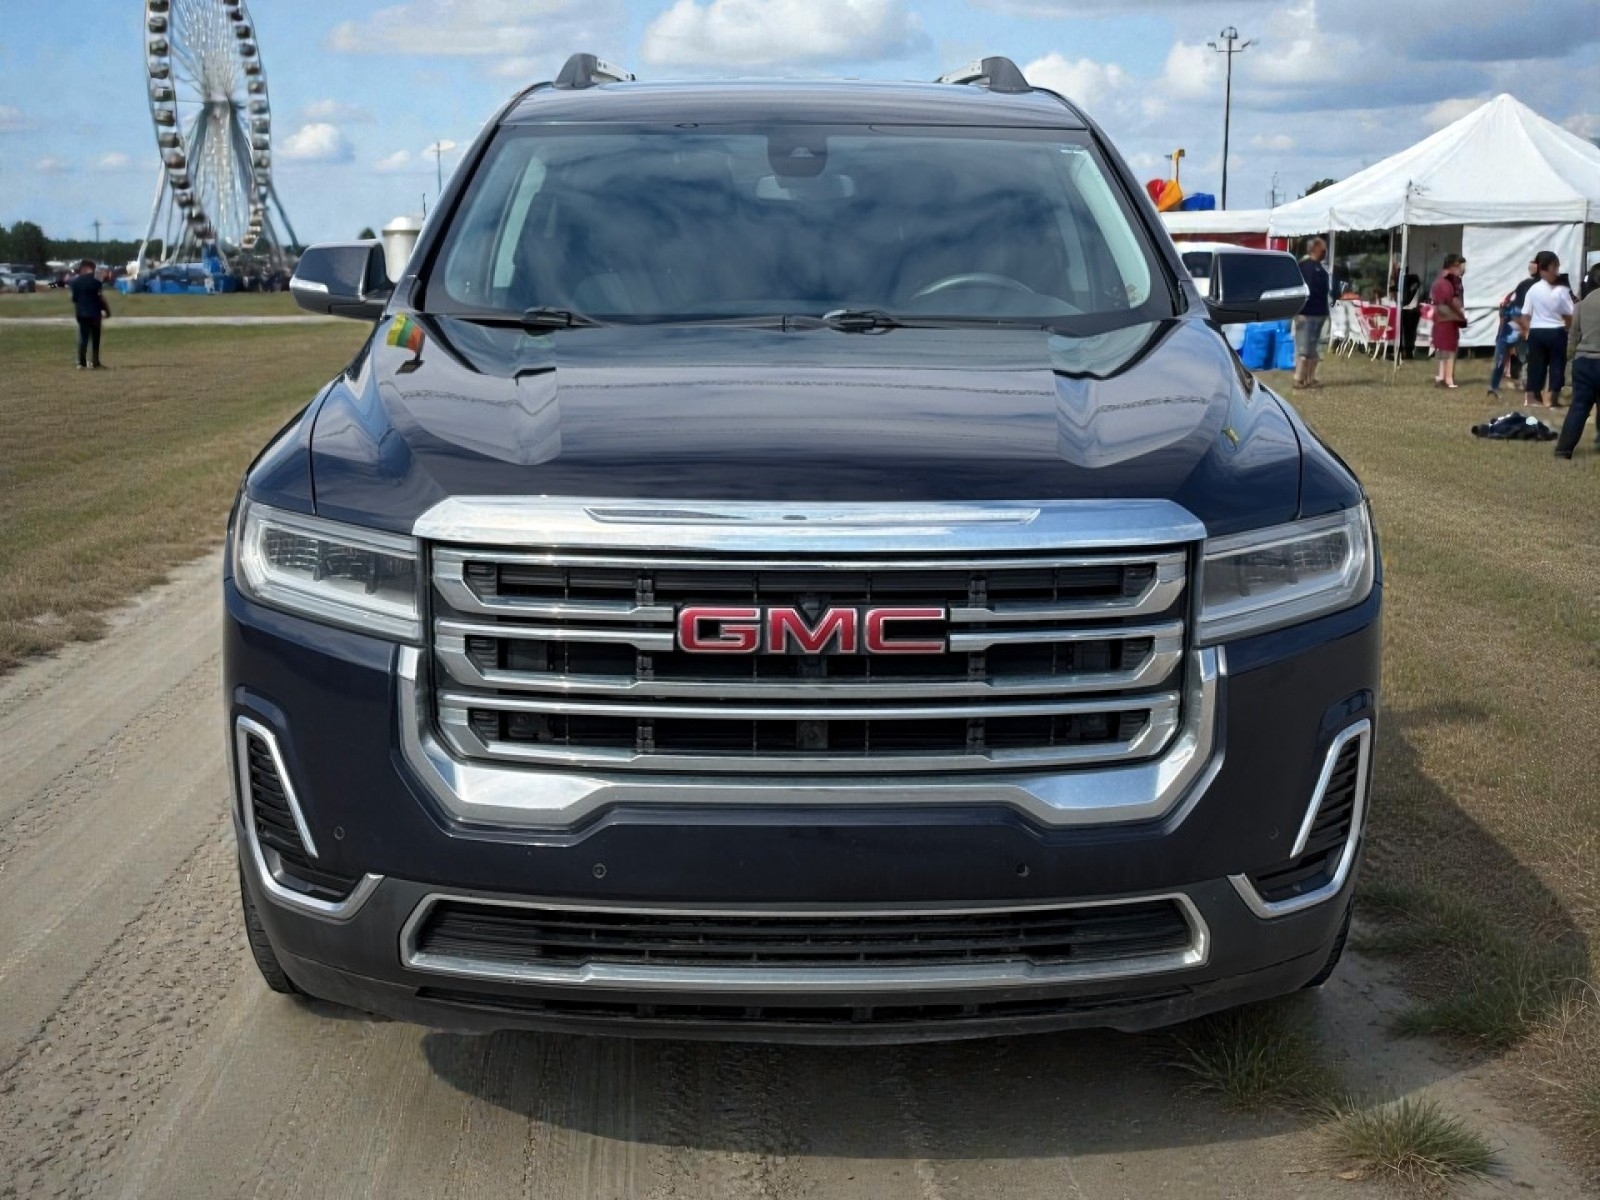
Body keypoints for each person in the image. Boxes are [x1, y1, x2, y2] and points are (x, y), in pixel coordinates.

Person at [1553, 270, 1600, 458]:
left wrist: (1570, 361)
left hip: (1584, 361)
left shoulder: (1582, 304)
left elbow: (1573, 336)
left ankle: (1563, 449)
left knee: (1579, 407)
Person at [1520, 251, 1573, 408]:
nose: (1557, 270)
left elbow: (1525, 314)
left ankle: (1531, 398)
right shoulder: (1561, 290)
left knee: (1535, 365)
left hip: (1536, 332)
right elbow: (1569, 314)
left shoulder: (1533, 289)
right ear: (1550, 267)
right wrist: (1569, 329)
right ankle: (1551, 398)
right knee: (1557, 365)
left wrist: (1528, 331)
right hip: (1557, 331)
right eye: (1556, 266)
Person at [1488, 259, 1539, 399]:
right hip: (1515, 328)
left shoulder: (1528, 285)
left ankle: (1496, 386)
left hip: (1512, 329)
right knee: (1525, 358)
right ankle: (1496, 386)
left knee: (1520, 358)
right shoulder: (1530, 286)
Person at [1293, 237, 1330, 390]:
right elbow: (1303, 291)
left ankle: (1309, 378)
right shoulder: (1304, 266)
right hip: (1306, 314)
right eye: (1322, 250)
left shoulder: (1320, 268)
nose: (1325, 252)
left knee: (1314, 349)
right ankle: (1299, 379)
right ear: (1314, 249)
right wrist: (1299, 311)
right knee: (1304, 348)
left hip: (1320, 312)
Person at [1428, 254, 1467, 388]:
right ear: (1453, 266)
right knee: (1449, 350)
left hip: (1443, 318)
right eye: (1459, 267)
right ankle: (1447, 378)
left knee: (1444, 349)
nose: (1461, 270)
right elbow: (1450, 301)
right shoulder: (1445, 282)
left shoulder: (1441, 281)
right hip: (1447, 318)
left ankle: (1442, 376)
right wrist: (1460, 314)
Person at [66, 258, 110, 369]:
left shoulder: (75, 281)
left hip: (81, 313)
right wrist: (106, 310)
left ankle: (81, 363)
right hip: (95, 312)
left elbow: (74, 299)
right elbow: (100, 296)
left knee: (83, 338)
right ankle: (95, 362)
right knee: (95, 338)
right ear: (91, 267)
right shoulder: (97, 278)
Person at [1399, 272, 1422, 359]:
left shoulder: (1409, 289)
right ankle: (1408, 351)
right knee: (1410, 334)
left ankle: (1408, 351)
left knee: (1408, 334)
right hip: (1411, 311)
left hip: (1409, 311)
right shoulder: (1414, 289)